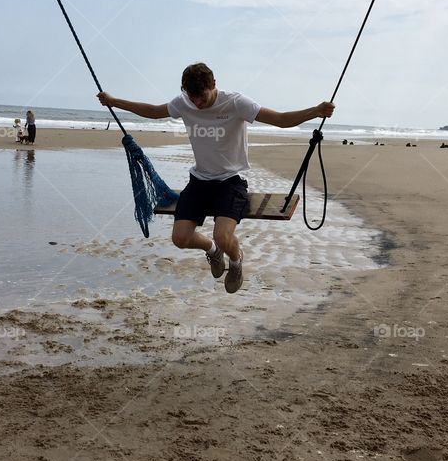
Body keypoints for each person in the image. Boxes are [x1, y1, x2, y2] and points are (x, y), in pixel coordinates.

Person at [98, 62, 334, 294]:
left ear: (214, 85)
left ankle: (236, 259)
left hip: (232, 181)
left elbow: (281, 119)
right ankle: (212, 250)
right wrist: (114, 101)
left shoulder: (236, 102)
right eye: (192, 98)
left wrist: (315, 111)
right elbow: (154, 111)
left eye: (202, 96)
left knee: (222, 236)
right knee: (180, 238)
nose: (197, 103)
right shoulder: (184, 102)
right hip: (199, 181)